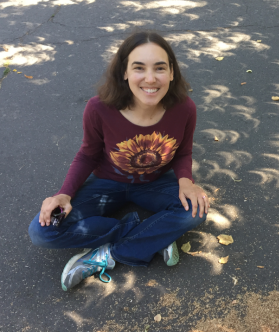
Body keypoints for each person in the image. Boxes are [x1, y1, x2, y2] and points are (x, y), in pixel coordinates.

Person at [28, 31, 209, 291]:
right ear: (124, 72)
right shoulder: (99, 108)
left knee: (195, 210)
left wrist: (186, 181)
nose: (150, 78)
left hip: (155, 183)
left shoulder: (184, 108)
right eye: (139, 68)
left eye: (160, 68)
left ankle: (107, 256)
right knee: (43, 231)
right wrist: (64, 194)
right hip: (106, 183)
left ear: (172, 73)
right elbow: (88, 154)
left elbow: (183, 152)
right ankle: (152, 235)